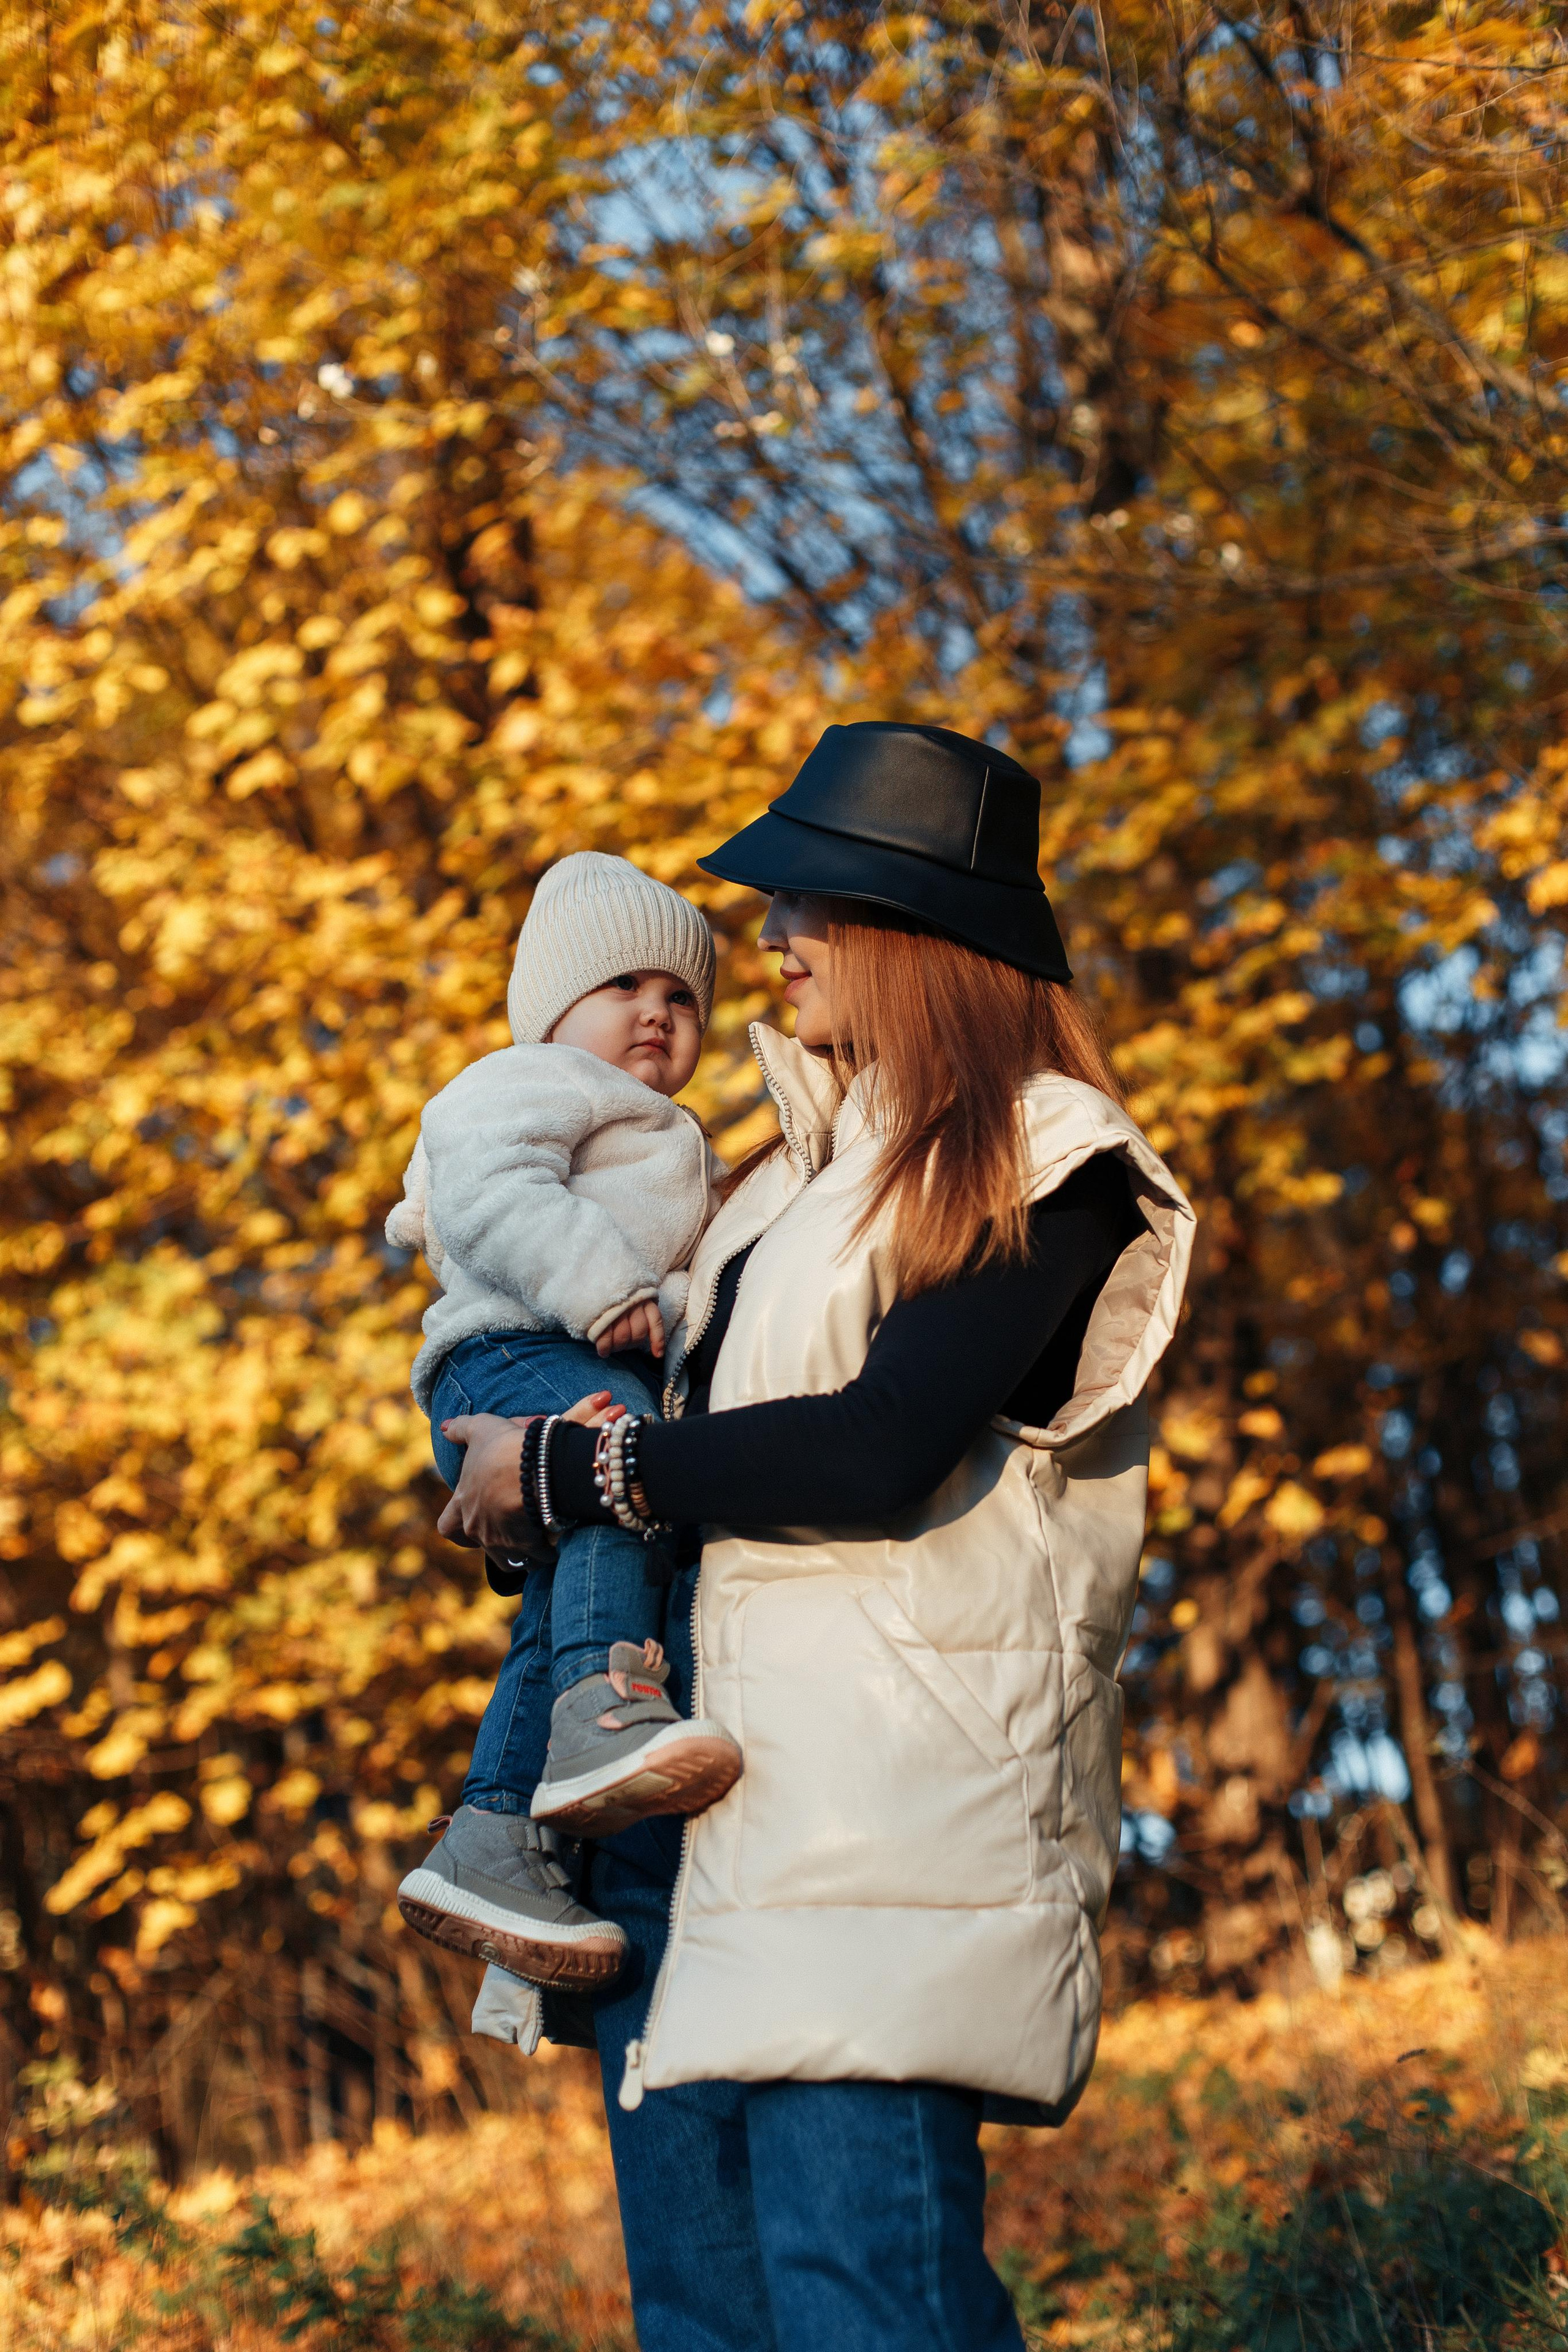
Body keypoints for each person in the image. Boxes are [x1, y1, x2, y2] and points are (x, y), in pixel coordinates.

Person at [437, 722, 1196, 2352]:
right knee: (710, 2330)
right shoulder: (781, 1188)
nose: (765, 943)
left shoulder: (1048, 1160)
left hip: (874, 1855)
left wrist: (574, 1473)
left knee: (869, 2313)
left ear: (912, 938)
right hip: (690, 1837)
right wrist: (527, 1493)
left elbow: (875, 1444)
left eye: (806, 908)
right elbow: (691, 1472)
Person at [386, 851, 741, 1992]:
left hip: (568, 1350)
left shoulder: (657, 1130)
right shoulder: (527, 1079)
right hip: (516, 1349)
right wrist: (608, 1287)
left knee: (579, 1550)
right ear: (553, 1009)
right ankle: (603, 1705)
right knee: (615, 1477)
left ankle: (494, 1835)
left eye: (682, 996)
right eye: (625, 987)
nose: (657, 1011)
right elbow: (491, 1189)